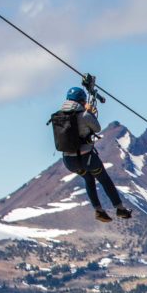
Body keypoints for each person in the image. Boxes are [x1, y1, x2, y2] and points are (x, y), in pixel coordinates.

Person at [59, 87, 132, 223]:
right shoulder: (85, 115)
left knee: (88, 179)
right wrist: (90, 112)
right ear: (81, 101)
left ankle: (98, 211)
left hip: (69, 161)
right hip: (87, 158)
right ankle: (120, 208)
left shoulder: (60, 115)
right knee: (104, 179)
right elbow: (97, 128)